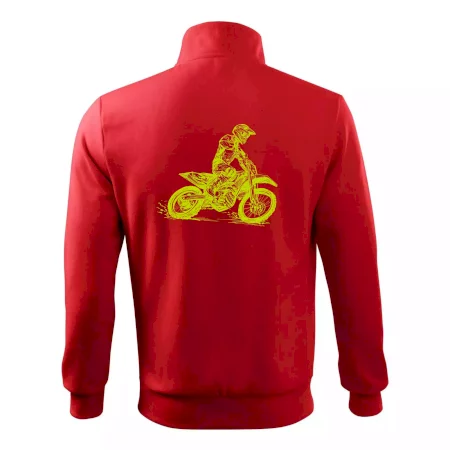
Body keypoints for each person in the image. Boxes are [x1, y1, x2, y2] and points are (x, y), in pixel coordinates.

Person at [206, 124, 257, 210]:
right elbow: (223, 143)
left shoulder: (237, 147)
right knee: (231, 171)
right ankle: (212, 186)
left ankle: (226, 193)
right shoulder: (228, 138)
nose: (247, 137)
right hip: (219, 164)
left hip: (225, 167)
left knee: (240, 175)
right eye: (246, 134)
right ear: (240, 132)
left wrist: (249, 167)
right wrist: (235, 149)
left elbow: (242, 160)